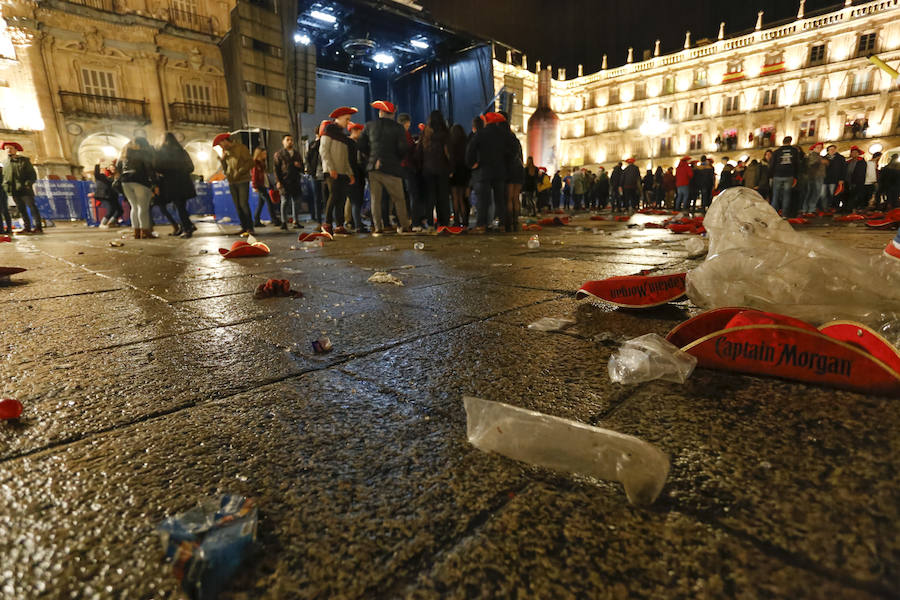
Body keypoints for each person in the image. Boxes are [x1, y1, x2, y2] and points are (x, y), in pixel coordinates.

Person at [357, 100, 412, 235]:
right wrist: (397, 159)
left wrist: (371, 156)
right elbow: (403, 148)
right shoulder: (398, 128)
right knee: (399, 199)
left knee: (375, 199)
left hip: (374, 168)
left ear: (380, 112)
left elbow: (360, 144)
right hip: (392, 168)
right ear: (393, 114)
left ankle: (377, 227)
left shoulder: (369, 125)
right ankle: (404, 226)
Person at [465, 112, 508, 233]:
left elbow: (470, 149)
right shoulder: (504, 135)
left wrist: (472, 163)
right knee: (500, 199)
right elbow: (513, 150)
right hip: (500, 171)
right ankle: (502, 224)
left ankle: (481, 225)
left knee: (483, 200)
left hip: (484, 171)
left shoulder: (481, 134)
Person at [320, 106, 358, 234]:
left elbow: (345, 157)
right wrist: (331, 168)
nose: (348, 122)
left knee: (341, 199)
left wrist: (350, 173)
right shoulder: (328, 130)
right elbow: (323, 151)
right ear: (339, 118)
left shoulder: (342, 135)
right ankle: (327, 223)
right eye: (346, 119)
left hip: (342, 171)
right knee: (334, 196)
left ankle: (339, 225)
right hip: (332, 171)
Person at [155, 132, 196, 237]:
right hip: (184, 182)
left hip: (171, 183)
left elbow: (157, 167)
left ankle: (187, 228)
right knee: (181, 206)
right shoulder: (182, 151)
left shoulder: (161, 152)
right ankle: (186, 226)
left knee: (179, 207)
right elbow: (191, 167)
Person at [214, 132, 254, 236]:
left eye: (221, 144)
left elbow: (250, 162)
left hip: (242, 180)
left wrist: (240, 171)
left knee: (243, 203)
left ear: (225, 141)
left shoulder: (241, 148)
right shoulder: (226, 153)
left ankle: (250, 227)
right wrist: (222, 160)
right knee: (237, 205)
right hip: (232, 181)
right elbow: (226, 168)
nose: (221, 146)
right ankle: (243, 227)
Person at [418, 110, 452, 228]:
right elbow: (448, 152)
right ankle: (444, 221)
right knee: (443, 196)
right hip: (443, 169)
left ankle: (429, 221)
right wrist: (451, 168)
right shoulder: (445, 133)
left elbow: (419, 151)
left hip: (427, 169)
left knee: (430, 195)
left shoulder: (425, 133)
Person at [117, 137, 156, 239]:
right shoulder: (141, 153)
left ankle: (136, 232)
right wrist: (154, 183)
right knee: (143, 207)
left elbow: (118, 168)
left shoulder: (123, 157)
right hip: (140, 180)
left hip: (125, 182)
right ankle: (145, 231)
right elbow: (149, 168)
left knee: (134, 207)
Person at [2, 142, 41, 233]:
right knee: (21, 209)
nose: (8, 150)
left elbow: (32, 175)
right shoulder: (5, 163)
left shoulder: (24, 160)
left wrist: (28, 184)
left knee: (32, 207)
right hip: (13, 190)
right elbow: (4, 176)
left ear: (16, 150)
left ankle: (38, 227)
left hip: (25, 189)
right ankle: (27, 228)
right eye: (7, 148)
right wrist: (6, 186)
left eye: (10, 148)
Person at [273, 134, 305, 230]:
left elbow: (302, 167)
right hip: (284, 181)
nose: (290, 141)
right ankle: (284, 222)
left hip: (295, 181)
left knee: (296, 202)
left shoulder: (297, 154)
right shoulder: (279, 154)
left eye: (291, 140)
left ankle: (296, 221)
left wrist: (299, 166)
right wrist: (278, 181)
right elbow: (276, 169)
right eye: (287, 140)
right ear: (283, 142)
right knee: (284, 202)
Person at [768, 136, 801, 215]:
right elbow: (797, 164)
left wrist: (770, 175)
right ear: (790, 141)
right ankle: (785, 213)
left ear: (783, 142)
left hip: (778, 175)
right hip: (789, 175)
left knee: (775, 195)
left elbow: (772, 164)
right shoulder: (794, 151)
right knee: (787, 195)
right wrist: (796, 176)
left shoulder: (777, 151)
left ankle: (774, 213)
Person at [346, 122, 367, 232]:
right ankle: (357, 224)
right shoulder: (349, 143)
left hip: (359, 176)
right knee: (355, 201)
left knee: (357, 201)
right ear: (355, 131)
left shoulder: (356, 143)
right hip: (353, 175)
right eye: (360, 131)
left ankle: (356, 222)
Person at [448, 123, 470, 227]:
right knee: (462, 198)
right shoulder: (466, 144)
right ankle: (465, 221)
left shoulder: (451, 144)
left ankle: (456, 220)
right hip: (464, 172)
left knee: (455, 198)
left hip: (454, 173)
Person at [305, 125, 328, 227]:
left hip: (325, 174)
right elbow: (308, 159)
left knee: (326, 197)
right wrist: (311, 172)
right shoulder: (313, 144)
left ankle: (327, 219)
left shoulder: (325, 143)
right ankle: (318, 219)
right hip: (316, 174)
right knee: (317, 198)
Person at [250, 147, 278, 230]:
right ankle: (274, 219)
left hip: (262, 185)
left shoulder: (262, 163)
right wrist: (255, 186)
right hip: (259, 185)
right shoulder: (255, 164)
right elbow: (254, 176)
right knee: (268, 201)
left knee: (261, 203)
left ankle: (256, 220)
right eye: (264, 153)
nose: (266, 155)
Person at [94, 161, 123, 229]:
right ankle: (102, 223)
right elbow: (96, 174)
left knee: (119, 210)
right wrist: (98, 163)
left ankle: (111, 223)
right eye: (111, 168)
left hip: (112, 196)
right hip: (104, 195)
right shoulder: (102, 176)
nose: (113, 169)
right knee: (111, 210)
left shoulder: (116, 177)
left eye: (114, 168)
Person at [801, 143, 826, 215]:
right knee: (813, 193)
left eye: (820, 147)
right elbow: (811, 164)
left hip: (818, 176)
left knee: (814, 193)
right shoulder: (813, 155)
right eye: (818, 147)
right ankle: (808, 209)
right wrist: (820, 161)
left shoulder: (819, 156)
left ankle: (809, 209)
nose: (819, 149)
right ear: (814, 148)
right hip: (814, 177)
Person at [823, 144, 846, 211]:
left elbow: (843, 169)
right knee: (824, 195)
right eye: (831, 149)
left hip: (835, 179)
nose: (832, 151)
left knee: (834, 194)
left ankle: (834, 207)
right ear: (828, 151)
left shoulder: (840, 158)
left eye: (834, 149)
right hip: (825, 179)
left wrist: (842, 178)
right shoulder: (824, 158)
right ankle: (825, 207)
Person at [846, 146, 868, 212]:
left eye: (856, 152)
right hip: (848, 181)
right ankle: (849, 208)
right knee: (849, 195)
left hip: (858, 181)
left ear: (858, 153)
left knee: (857, 195)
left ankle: (856, 207)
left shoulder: (862, 162)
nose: (854, 154)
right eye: (853, 152)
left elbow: (862, 173)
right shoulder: (848, 162)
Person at [0, 165, 10, 234]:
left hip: (2, 194)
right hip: (2, 193)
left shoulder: (3, 176)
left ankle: (2, 230)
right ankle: (3, 229)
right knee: (4, 211)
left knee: (4, 211)